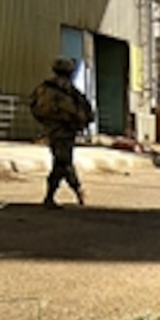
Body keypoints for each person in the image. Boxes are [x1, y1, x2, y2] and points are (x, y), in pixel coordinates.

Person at [30, 57, 94, 209]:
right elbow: (83, 111)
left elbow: (34, 107)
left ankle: (52, 196)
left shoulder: (44, 88)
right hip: (65, 131)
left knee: (60, 162)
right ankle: (76, 190)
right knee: (64, 162)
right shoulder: (68, 91)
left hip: (52, 129)